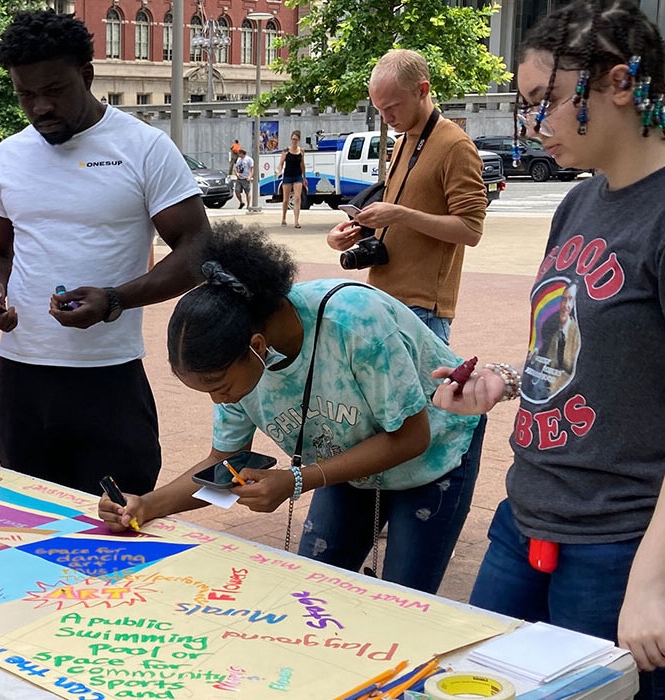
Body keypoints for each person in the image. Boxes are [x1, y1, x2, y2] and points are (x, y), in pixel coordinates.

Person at [432, 1, 665, 693]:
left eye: (547, 102)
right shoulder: (578, 203)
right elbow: (564, 353)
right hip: (525, 517)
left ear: (620, 84)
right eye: (526, 105)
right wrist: (502, 380)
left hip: (619, 547)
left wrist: (651, 586)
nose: (532, 124)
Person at [100, 221, 485, 595]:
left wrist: (297, 480)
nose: (220, 400)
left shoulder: (353, 322)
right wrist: (147, 505)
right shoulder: (236, 357)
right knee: (312, 590)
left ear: (257, 346)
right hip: (348, 461)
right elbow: (224, 459)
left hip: (436, 457)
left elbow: (411, 437)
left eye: (220, 387)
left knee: (405, 603)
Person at [0, 10, 210, 498]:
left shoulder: (144, 148)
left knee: (117, 532)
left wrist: (116, 299)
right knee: (30, 530)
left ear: (86, 75)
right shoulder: (10, 154)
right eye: (25, 94)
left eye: (53, 90)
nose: (39, 107)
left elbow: (198, 248)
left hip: (109, 382)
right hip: (22, 381)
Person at [326, 49, 487, 344]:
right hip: (383, 296)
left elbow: (471, 230)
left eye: (392, 107)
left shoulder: (455, 146)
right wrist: (350, 233)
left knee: (425, 393)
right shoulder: (402, 143)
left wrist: (401, 214)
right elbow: (401, 214)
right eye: (379, 109)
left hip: (422, 308)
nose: (386, 118)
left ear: (422, 90)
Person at [278, 130, 306, 228]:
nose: (294, 141)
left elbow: (302, 165)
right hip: (288, 176)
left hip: (297, 176)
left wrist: (304, 177)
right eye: (293, 139)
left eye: (296, 139)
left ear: (299, 140)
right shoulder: (286, 151)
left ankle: (296, 221)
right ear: (291, 139)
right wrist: (279, 171)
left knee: (297, 198)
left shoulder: (301, 151)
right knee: (286, 199)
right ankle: (284, 218)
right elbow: (281, 163)